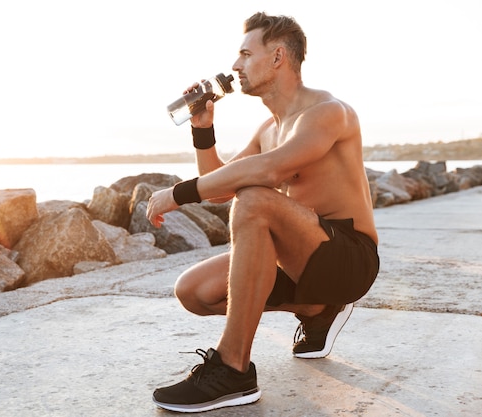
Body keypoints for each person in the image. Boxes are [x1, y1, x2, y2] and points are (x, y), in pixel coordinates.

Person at [146, 12, 380, 413]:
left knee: (253, 199)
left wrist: (178, 194)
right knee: (193, 292)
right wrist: (203, 128)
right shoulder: (267, 129)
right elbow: (220, 188)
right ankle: (316, 310)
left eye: (244, 54)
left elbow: (269, 172)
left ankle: (233, 370)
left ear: (277, 57)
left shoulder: (327, 112)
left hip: (348, 256)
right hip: (298, 261)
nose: (235, 66)